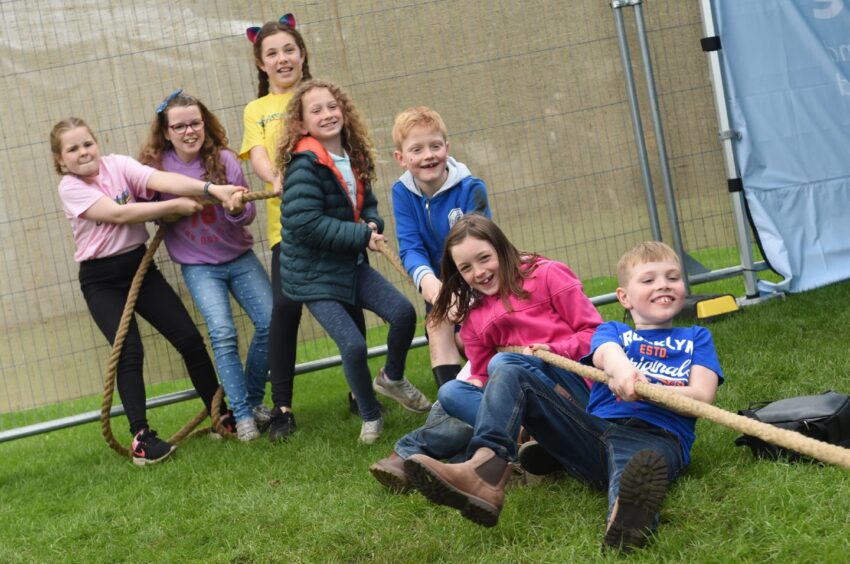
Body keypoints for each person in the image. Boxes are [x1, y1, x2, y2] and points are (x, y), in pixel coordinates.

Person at [404, 241, 724, 554]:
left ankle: (627, 520)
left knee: (636, 468)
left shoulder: (696, 338)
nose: (663, 286)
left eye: (672, 277)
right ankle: (485, 472)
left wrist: (651, 389)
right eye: (649, 280)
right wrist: (623, 369)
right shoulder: (612, 333)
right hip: (593, 430)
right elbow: (606, 355)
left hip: (656, 437)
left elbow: (701, 396)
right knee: (505, 363)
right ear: (624, 297)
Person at [51, 117, 245, 465]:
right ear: (61, 161)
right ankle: (141, 438)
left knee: (188, 339)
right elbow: (116, 214)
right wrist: (171, 207)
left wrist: (210, 190)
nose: (83, 152)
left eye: (87, 143)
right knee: (129, 352)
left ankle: (220, 416)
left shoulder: (119, 165)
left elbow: (161, 179)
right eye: (73, 149)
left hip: (140, 269)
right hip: (101, 280)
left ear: (97, 143)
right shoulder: (70, 187)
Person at [369, 214, 601, 491]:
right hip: (520, 405)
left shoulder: (548, 274)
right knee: (451, 392)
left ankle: (448, 460)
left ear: (501, 248)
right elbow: (479, 373)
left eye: (485, 258)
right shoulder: (475, 315)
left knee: (502, 364)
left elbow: (594, 335)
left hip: (569, 389)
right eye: (466, 267)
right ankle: (524, 444)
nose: (478, 272)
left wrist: (551, 350)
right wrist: (475, 387)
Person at [276, 79, 431, 443]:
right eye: (316, 110)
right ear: (301, 123)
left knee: (403, 312)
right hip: (312, 276)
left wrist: (373, 222)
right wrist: (362, 235)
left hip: (349, 263)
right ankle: (370, 415)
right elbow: (307, 223)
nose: (328, 114)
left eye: (333, 106)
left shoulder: (353, 155)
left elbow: (367, 205)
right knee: (353, 345)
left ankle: (391, 378)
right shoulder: (304, 166)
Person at [239, 14, 368, 441]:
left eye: (289, 50)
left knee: (349, 300)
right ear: (261, 63)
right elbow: (257, 152)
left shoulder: (322, 98)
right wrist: (274, 177)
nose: (282, 59)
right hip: (290, 229)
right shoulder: (257, 110)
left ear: (303, 53)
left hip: (340, 221)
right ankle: (283, 406)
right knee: (285, 310)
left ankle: (359, 392)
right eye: (271, 53)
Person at [139, 89, 272, 442]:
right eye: (179, 126)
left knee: (271, 322)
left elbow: (248, 214)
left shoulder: (225, 160)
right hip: (199, 267)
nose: (189, 132)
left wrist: (236, 209)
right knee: (223, 334)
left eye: (194, 123)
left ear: (204, 123)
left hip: (240, 258)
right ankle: (242, 418)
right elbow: (144, 207)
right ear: (166, 131)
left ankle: (253, 401)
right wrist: (169, 209)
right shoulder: (156, 169)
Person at [390, 106, 491, 389]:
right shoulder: (402, 193)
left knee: (470, 340)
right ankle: (452, 404)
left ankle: (492, 392)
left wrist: (463, 293)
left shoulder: (471, 189)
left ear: (447, 147)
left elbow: (481, 243)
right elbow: (410, 246)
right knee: (437, 324)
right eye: (417, 149)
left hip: (479, 280)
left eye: (435, 146)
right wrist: (432, 286)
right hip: (437, 284)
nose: (428, 155)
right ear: (401, 158)